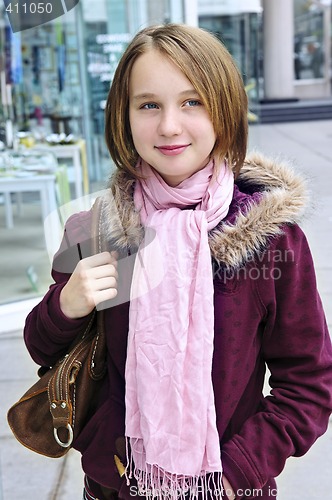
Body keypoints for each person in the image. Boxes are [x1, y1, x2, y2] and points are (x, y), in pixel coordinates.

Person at [23, 24, 332, 500]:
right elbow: (44, 348)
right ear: (123, 117)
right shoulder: (100, 229)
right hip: (114, 485)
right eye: (148, 104)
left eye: (192, 102)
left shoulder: (271, 239)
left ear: (225, 110)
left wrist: (235, 474)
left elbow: (308, 385)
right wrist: (68, 303)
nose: (169, 125)